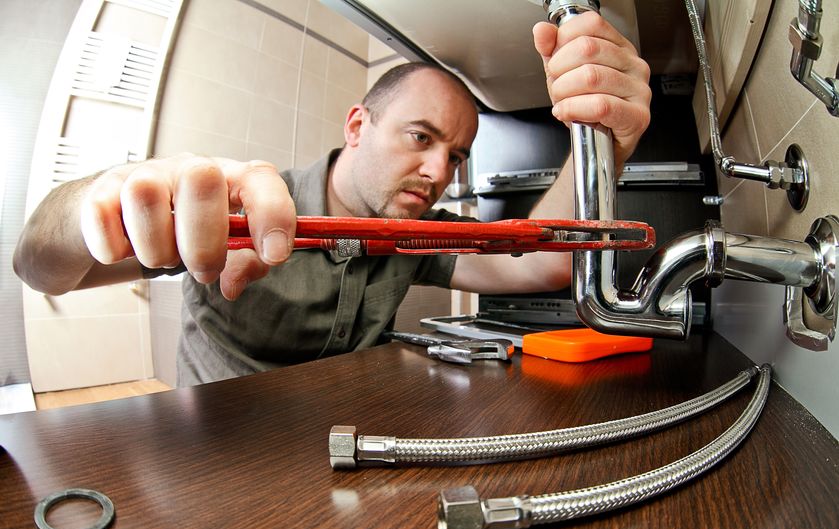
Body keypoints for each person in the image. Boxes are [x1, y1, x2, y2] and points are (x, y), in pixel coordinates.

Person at [14, 13, 651, 386]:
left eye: (455, 155)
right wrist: (93, 207)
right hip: (217, 460)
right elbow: (41, 269)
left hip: (348, 454)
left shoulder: (417, 233)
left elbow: (542, 262)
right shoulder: (237, 211)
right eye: (420, 137)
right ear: (356, 127)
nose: (438, 171)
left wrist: (604, 142)